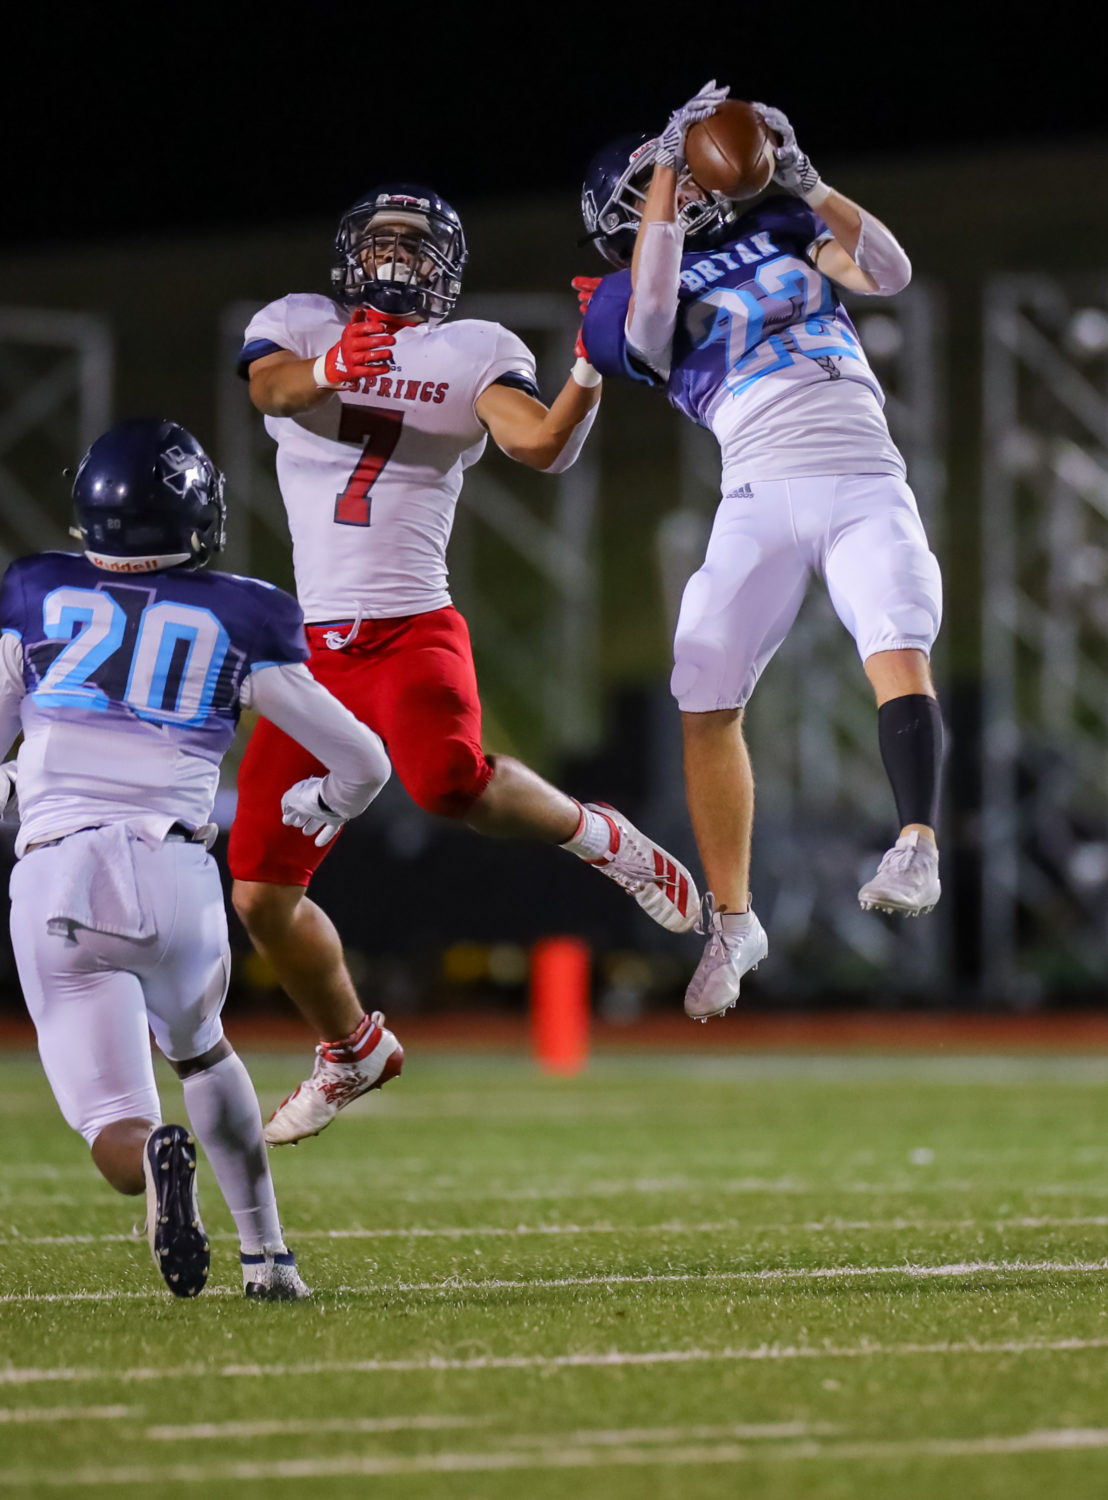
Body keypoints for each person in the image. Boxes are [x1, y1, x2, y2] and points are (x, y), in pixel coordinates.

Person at [228, 183, 699, 1145]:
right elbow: (269, 389)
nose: (396, 258)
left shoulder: (472, 348)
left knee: (448, 782)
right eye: (383, 240)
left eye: (415, 244)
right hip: (312, 642)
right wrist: (328, 364)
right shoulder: (299, 324)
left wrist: (590, 370)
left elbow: (537, 446)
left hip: (410, 623)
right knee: (260, 896)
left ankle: (599, 837)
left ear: (447, 270)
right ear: (348, 254)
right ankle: (353, 1047)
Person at [0, 418, 393, 1298]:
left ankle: (154, 1158)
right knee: (205, 1054)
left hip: (59, 876)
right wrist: (325, 805)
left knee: (113, 1128)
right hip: (175, 874)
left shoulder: (33, 590)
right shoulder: (244, 610)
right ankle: (269, 1258)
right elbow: (365, 760)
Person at [579, 84, 944, 1023]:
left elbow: (890, 273)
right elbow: (656, 310)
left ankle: (915, 840)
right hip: (757, 488)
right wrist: (664, 162)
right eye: (654, 182)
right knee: (702, 687)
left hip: (863, 470)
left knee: (897, 642)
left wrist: (814, 183)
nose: (683, 189)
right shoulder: (619, 294)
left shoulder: (781, 219)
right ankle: (735, 920)